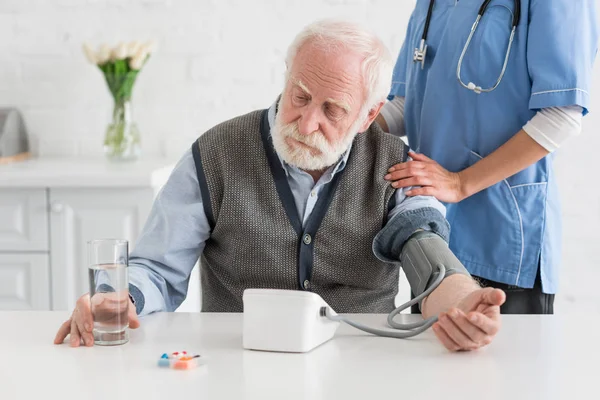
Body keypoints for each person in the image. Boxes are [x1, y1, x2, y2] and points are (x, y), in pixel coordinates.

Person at [54, 19, 505, 352]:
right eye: (301, 96)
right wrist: (119, 297)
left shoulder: (395, 165)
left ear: (369, 116)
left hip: (362, 365)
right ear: (286, 78)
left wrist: (462, 303)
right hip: (237, 364)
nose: (307, 123)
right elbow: (157, 269)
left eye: (333, 110)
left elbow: (427, 252)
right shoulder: (215, 154)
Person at [376, 0, 599, 314]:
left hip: (503, 240)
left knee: (501, 361)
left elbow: (561, 116)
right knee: (428, 361)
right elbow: (405, 104)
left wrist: (460, 183)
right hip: (430, 236)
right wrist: (335, 118)